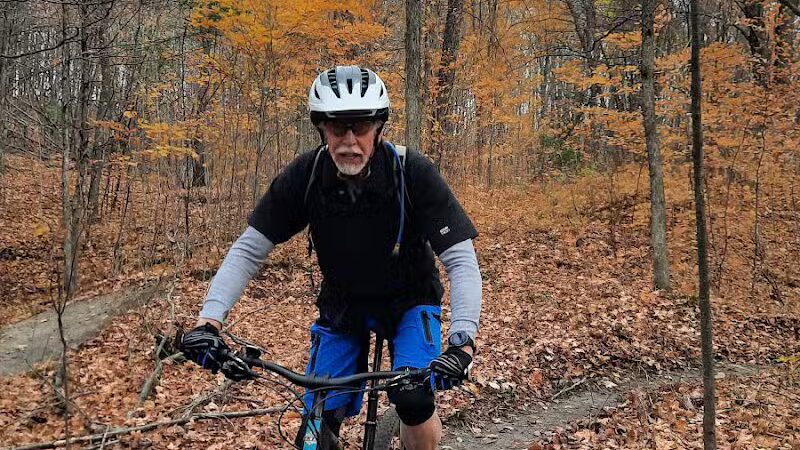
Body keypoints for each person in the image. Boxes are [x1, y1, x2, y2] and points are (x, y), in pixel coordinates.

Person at [180, 65, 482, 450]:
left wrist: (462, 342)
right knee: (315, 423)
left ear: (379, 128)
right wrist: (208, 322)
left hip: (410, 300)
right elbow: (247, 251)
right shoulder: (305, 176)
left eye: (361, 127)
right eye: (338, 128)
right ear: (321, 128)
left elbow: (461, 260)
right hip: (343, 307)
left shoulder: (411, 172)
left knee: (413, 398)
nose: (350, 141)